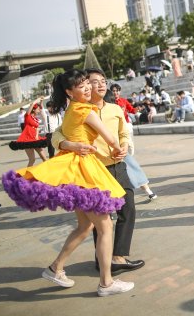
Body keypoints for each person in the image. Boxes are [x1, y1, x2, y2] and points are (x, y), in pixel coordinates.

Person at [3, 69, 134, 296]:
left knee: (85, 227)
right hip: (83, 169)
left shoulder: (74, 109)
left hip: (76, 168)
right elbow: (107, 136)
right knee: (105, 226)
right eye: (81, 85)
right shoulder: (84, 109)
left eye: (87, 83)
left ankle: (56, 267)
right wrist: (117, 147)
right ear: (68, 91)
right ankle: (106, 283)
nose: (87, 87)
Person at [51, 68, 145, 278]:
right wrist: (69, 144)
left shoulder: (115, 109)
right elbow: (56, 135)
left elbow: (123, 134)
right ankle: (102, 263)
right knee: (99, 220)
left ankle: (117, 257)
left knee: (127, 208)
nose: (101, 85)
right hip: (94, 169)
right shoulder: (79, 109)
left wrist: (123, 144)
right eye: (93, 82)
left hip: (117, 166)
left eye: (103, 81)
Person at [8, 97, 48, 167]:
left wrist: (41, 101)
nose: (39, 110)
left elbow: (36, 128)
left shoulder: (35, 118)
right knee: (32, 159)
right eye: (37, 109)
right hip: (27, 139)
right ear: (33, 109)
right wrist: (37, 100)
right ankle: (27, 175)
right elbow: (32, 104)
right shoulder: (27, 116)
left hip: (35, 139)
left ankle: (49, 172)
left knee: (44, 157)